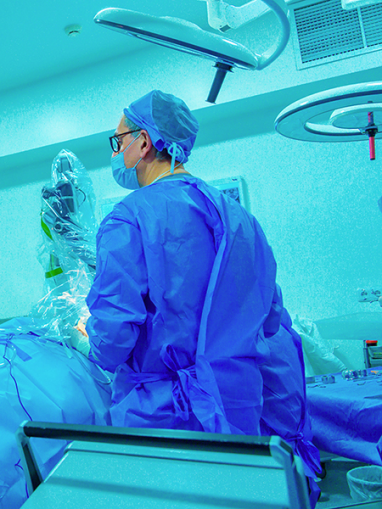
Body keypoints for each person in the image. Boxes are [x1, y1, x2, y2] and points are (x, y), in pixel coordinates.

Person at [77, 90, 321, 491]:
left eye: (119, 140)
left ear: (144, 141)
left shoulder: (128, 219)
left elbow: (113, 340)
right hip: (238, 406)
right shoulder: (239, 217)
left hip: (163, 417)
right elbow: (270, 318)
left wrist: (89, 340)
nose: (117, 151)